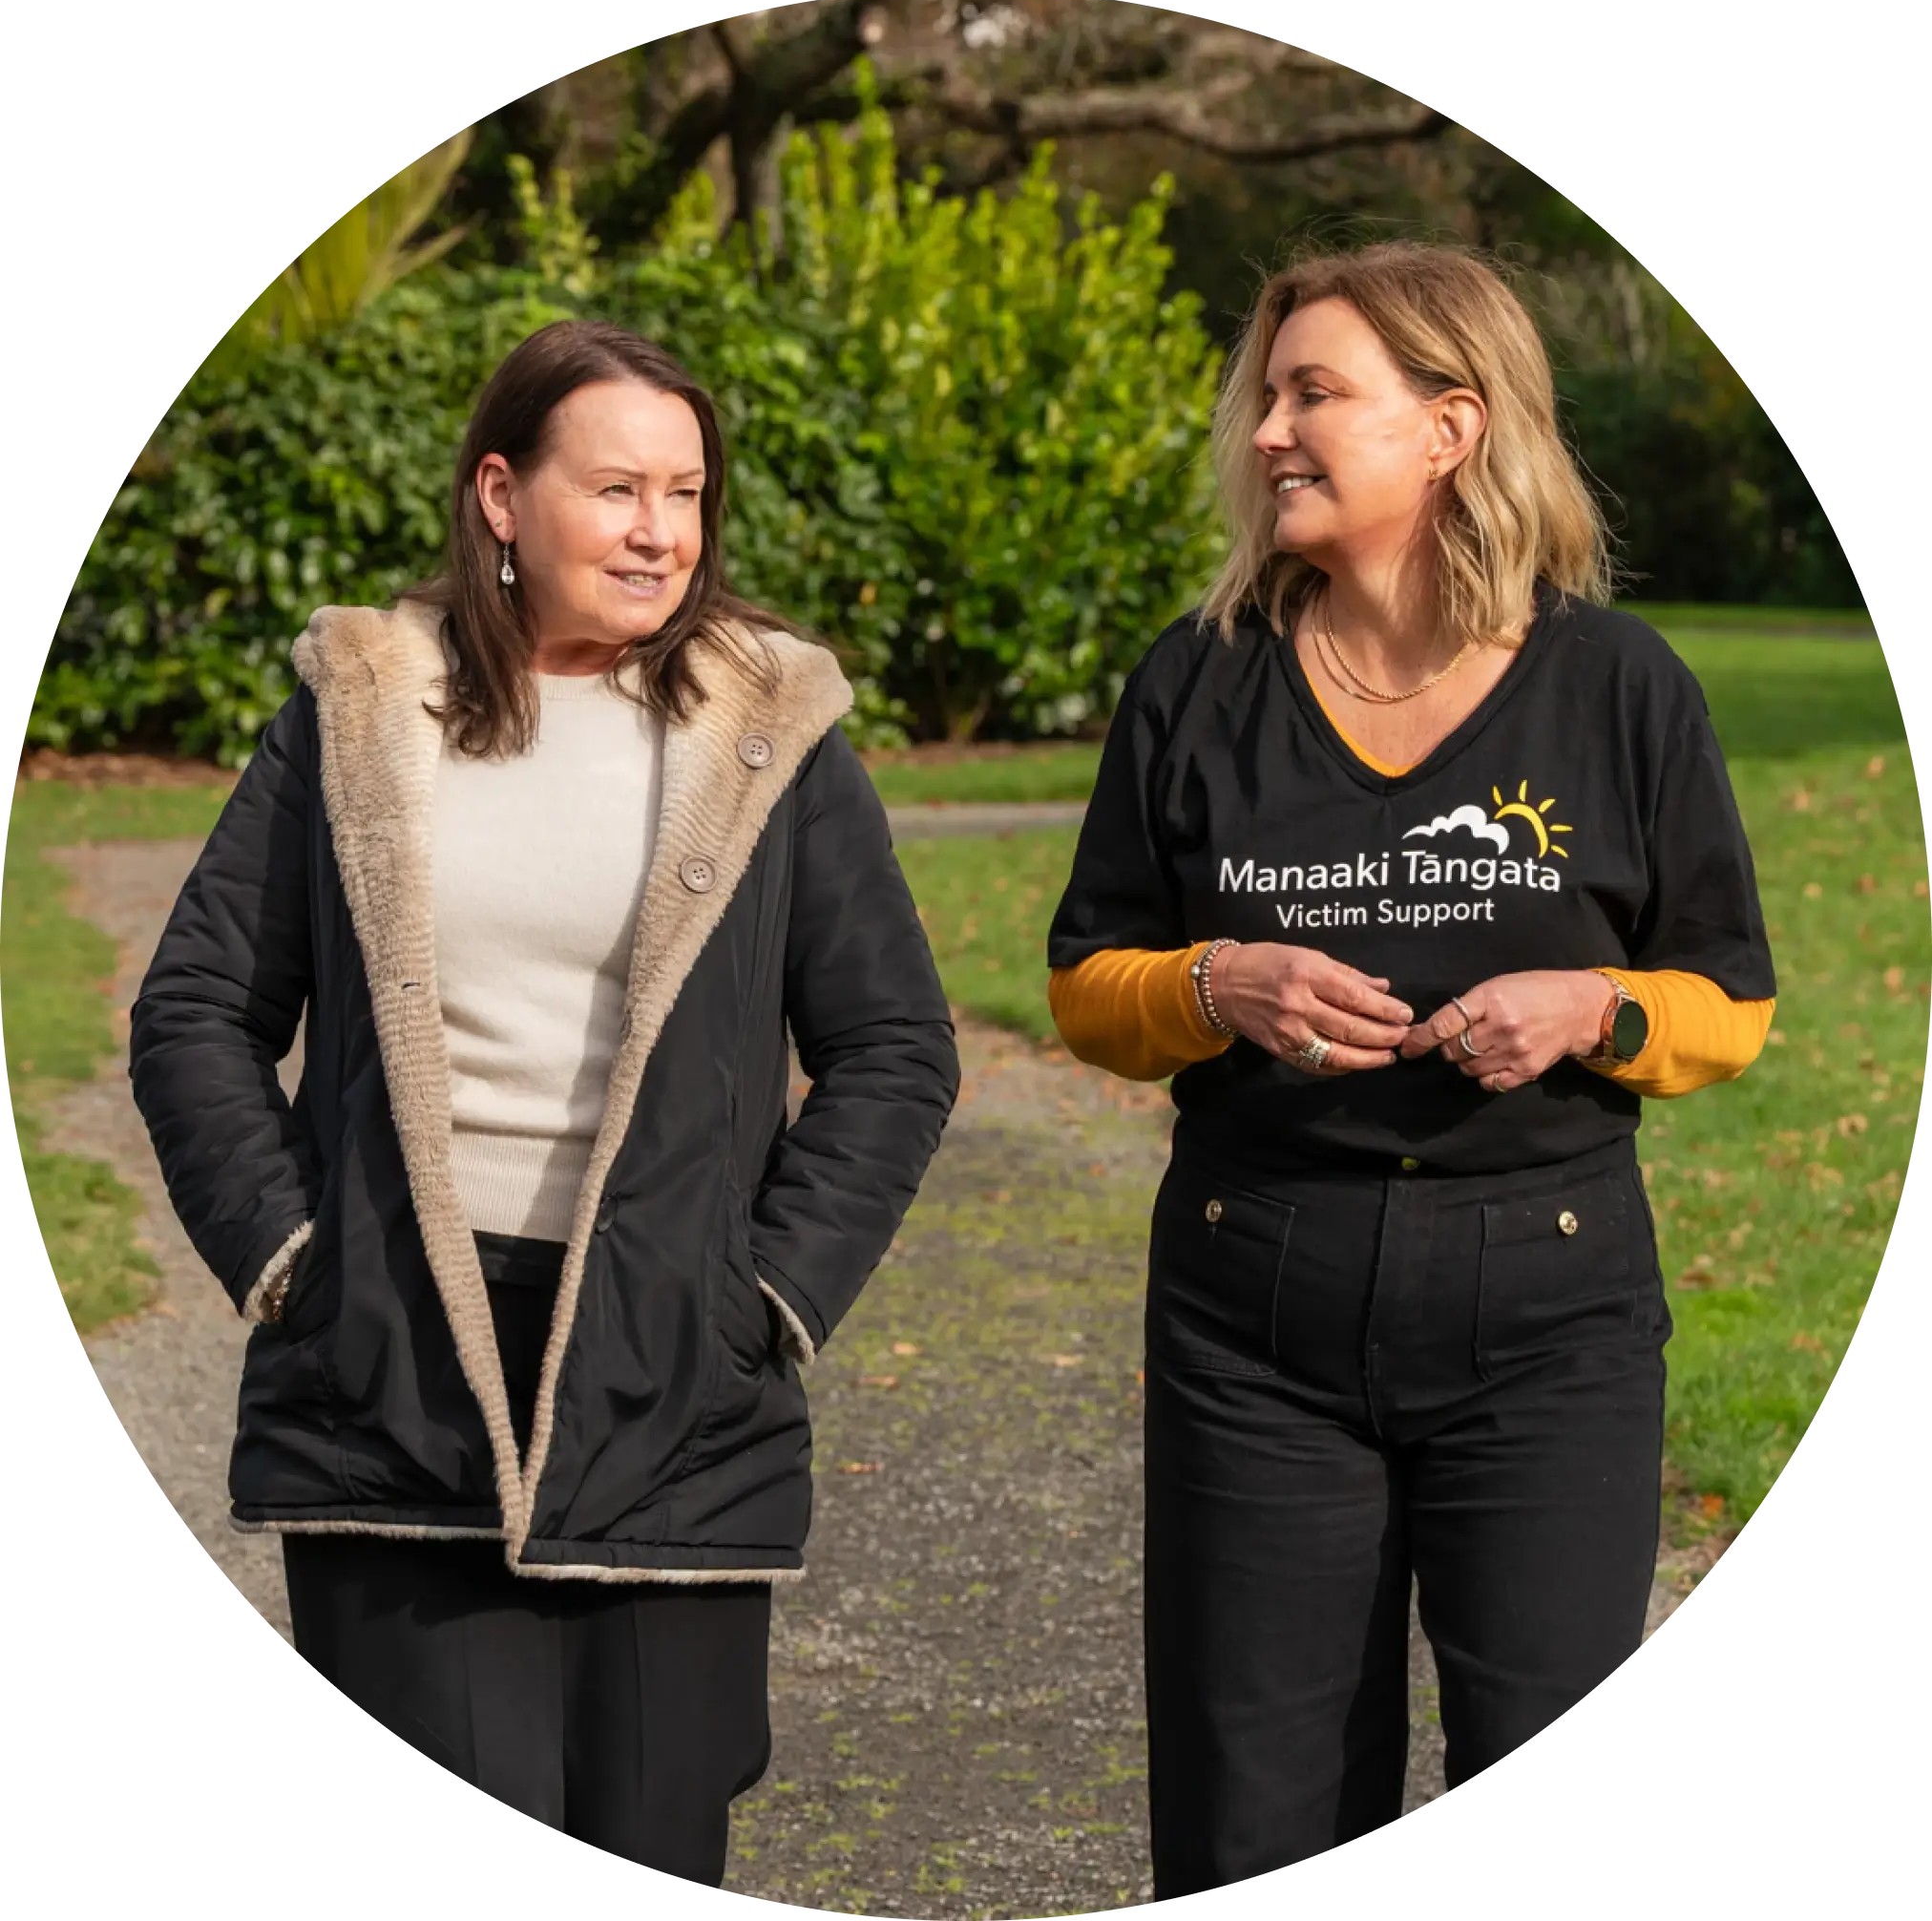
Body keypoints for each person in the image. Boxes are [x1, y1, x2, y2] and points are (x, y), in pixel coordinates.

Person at [129, 320, 959, 1887]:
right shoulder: (361, 707)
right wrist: (301, 1268)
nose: (662, 531)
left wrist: (764, 1296)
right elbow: (196, 1012)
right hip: (396, 1375)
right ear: (502, 497)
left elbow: (897, 1046)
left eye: (688, 492)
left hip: (674, 1380)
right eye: (619, 489)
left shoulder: (769, 729)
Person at [1045, 241, 1776, 1899]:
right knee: (1255, 1806)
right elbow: (1089, 993)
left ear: (1451, 426)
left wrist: (1596, 1008)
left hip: (1550, 1314)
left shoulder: (1620, 689)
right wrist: (1218, 983)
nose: (1266, 434)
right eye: (1266, 397)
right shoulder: (1198, 681)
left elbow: (1730, 1002)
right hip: (1254, 1311)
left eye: (1313, 396)